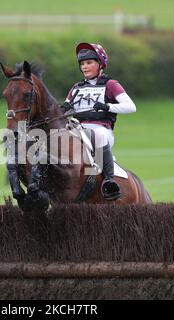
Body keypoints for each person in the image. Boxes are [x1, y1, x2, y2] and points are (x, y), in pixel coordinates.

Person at [61, 42, 137, 201]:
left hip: (101, 130)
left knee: (99, 135)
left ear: (100, 64)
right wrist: (62, 109)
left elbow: (131, 107)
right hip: (78, 130)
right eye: (82, 63)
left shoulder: (111, 84)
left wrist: (107, 106)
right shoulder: (76, 88)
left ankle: (109, 181)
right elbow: (65, 108)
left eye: (89, 63)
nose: (84, 67)